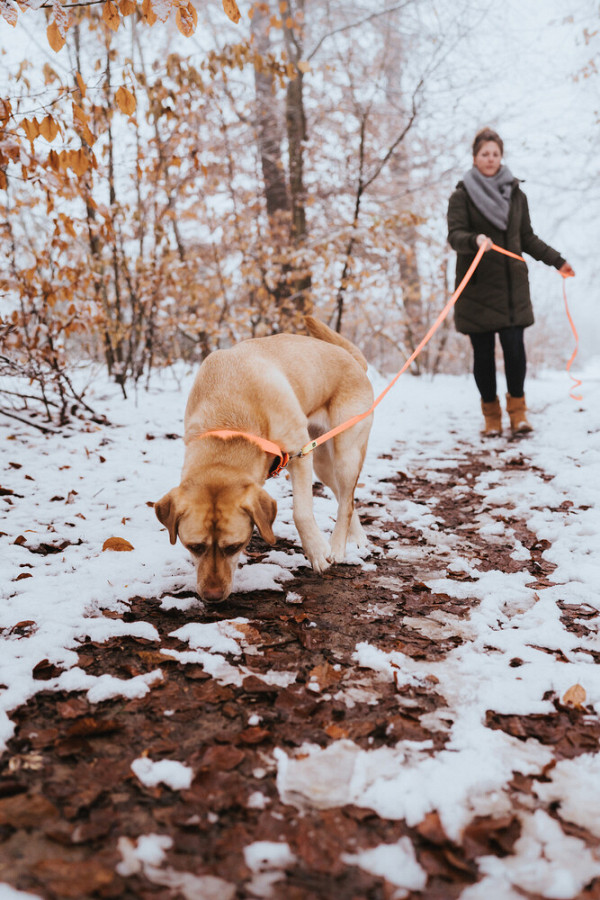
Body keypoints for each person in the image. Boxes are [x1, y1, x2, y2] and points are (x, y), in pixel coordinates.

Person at [447, 127, 575, 436]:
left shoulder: (516, 194)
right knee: (483, 355)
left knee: (516, 351)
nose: (490, 159)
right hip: (476, 286)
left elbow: (526, 237)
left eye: (495, 154)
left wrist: (557, 260)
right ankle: (491, 417)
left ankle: (518, 414)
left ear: (501, 156)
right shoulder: (461, 195)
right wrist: (474, 238)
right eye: (484, 154)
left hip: (512, 288)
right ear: (475, 157)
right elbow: (455, 235)